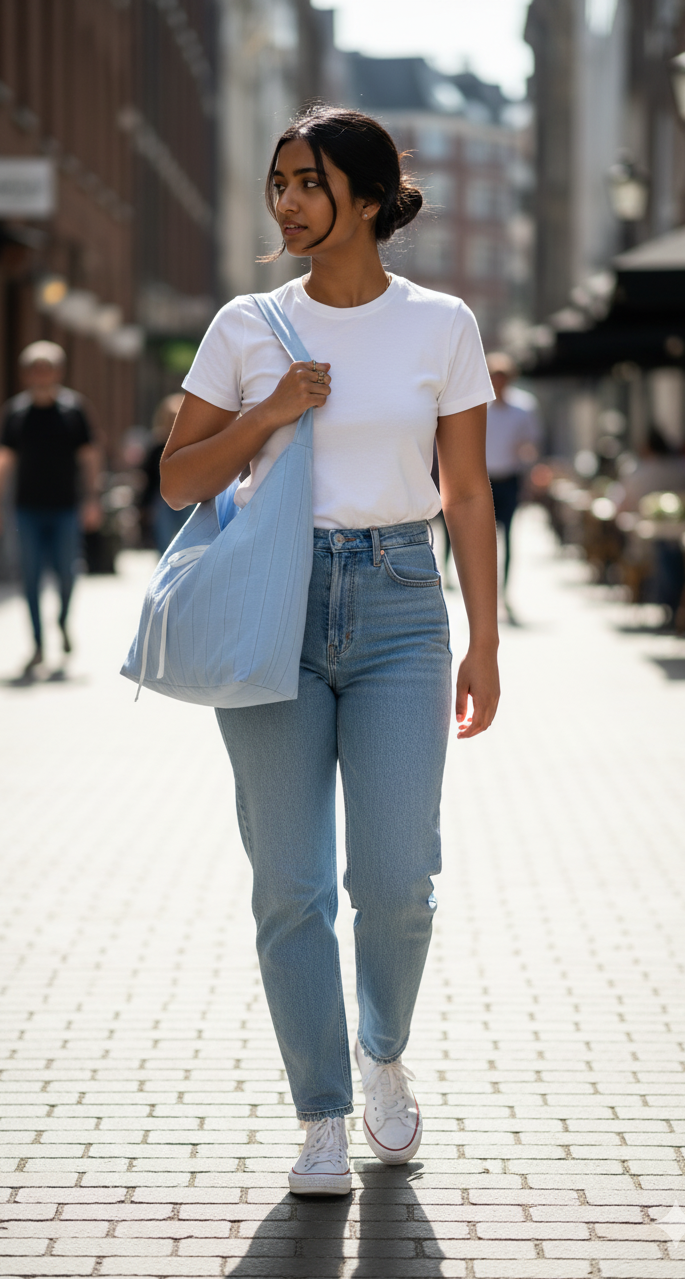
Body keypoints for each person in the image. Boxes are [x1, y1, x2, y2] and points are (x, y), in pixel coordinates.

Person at [159, 106, 500, 1196]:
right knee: (291, 883)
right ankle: (319, 1111)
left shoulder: (441, 322)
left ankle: (381, 1052)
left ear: (363, 194)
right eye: (276, 184)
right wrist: (264, 414)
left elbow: (466, 490)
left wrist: (482, 638)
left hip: (402, 602)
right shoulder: (246, 323)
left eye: (306, 182)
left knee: (398, 877)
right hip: (276, 603)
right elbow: (177, 480)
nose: (286, 203)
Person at [0, 342, 102, 673]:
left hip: (66, 508)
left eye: (46, 368)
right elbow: (2, 461)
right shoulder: (16, 413)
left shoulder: (74, 410)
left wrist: (92, 499)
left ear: (58, 372)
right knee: (30, 578)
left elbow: (89, 457)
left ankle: (62, 620)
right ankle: (36, 645)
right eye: (35, 369)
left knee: (67, 574)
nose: (41, 375)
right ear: (26, 374)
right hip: (27, 510)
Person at [485, 352, 542, 596]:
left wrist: (530, 467)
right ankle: (484, 589)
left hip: (510, 478)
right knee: (484, 539)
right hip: (483, 480)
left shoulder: (523, 407)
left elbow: (532, 443)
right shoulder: (479, 406)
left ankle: (503, 589)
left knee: (507, 537)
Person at [140, 394, 190, 554]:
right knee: (164, 544)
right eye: (171, 418)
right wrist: (145, 505)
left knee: (190, 540)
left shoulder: (194, 444)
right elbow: (147, 478)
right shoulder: (156, 447)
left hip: (190, 498)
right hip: (162, 500)